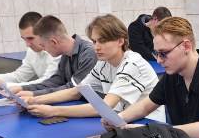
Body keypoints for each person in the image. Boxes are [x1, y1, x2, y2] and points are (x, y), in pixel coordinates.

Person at [25, 14, 164, 121]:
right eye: (94, 41)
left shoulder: (132, 64)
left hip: (148, 125)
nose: (96, 47)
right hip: (123, 121)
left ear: (120, 41)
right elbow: (76, 92)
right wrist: (34, 100)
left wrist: (53, 111)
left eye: (102, 41)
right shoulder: (103, 63)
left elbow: (104, 107)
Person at [14, 15, 97, 98]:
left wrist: (34, 95)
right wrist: (22, 88)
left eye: (43, 45)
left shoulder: (89, 54)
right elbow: (56, 81)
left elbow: (74, 89)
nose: (43, 49)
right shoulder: (65, 54)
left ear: (53, 42)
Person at [0, 12, 60, 90]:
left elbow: (47, 82)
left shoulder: (56, 51)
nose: (27, 44)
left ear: (43, 33)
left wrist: (5, 85)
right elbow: (18, 77)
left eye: (30, 38)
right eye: (24, 39)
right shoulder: (31, 51)